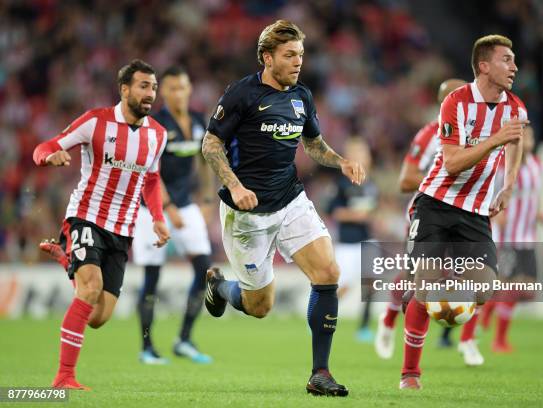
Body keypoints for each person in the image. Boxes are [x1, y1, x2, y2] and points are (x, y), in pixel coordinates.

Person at [201, 20, 365, 397]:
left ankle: (320, 373)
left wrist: (340, 161)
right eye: (289, 55)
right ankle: (219, 287)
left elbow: (313, 144)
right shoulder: (241, 94)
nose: (297, 62)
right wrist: (235, 185)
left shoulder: (301, 96)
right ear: (267, 57)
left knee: (327, 271)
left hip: (290, 200)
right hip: (247, 215)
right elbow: (211, 144)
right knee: (260, 306)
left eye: (301, 55)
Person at [400, 34, 529, 390]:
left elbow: (516, 139)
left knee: (486, 289)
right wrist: (494, 140)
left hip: (475, 212)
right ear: (484, 66)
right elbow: (454, 163)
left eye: (514, 59)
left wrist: (510, 182)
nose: (514, 66)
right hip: (437, 203)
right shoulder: (455, 102)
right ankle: (410, 374)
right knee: (424, 285)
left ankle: (439, 292)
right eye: (507, 59)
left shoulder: (515, 107)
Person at [33, 59, 170, 390]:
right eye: (143, 86)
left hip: (123, 229)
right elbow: (45, 146)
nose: (150, 93)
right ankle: (64, 377)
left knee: (98, 317)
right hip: (87, 217)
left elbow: (151, 179)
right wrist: (49, 157)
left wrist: (158, 218)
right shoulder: (95, 122)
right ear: (124, 89)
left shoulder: (158, 135)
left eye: (153, 87)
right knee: (90, 288)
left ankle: (67, 259)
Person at [375, 79, 466, 359]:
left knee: (461, 274)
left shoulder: (475, 135)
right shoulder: (430, 135)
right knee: (416, 277)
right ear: (446, 103)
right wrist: (444, 178)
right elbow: (405, 180)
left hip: (462, 213)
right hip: (427, 212)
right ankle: (389, 321)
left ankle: (465, 340)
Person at [132, 66, 213, 365]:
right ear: (162, 92)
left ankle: (184, 339)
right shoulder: (154, 124)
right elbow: (149, 170)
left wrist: (206, 199)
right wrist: (166, 208)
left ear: (189, 88)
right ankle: (147, 347)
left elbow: (205, 161)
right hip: (151, 210)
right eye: (172, 88)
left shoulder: (196, 121)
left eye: (183, 87)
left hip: (186, 206)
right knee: (152, 278)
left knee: (205, 269)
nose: (178, 93)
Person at [483, 125, 543, 352]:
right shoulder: (505, 163)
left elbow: (533, 195)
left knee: (528, 290)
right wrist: (496, 212)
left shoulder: (537, 165)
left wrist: (538, 213)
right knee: (510, 287)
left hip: (528, 237)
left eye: (531, 134)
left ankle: (490, 305)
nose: (529, 138)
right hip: (509, 236)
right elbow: (491, 188)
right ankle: (499, 340)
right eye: (524, 135)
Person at [327, 137, 378, 343]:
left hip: (367, 239)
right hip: (348, 242)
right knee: (343, 287)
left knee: (372, 284)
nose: (362, 157)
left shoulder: (370, 182)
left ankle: (364, 327)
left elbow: (371, 209)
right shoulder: (341, 182)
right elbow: (333, 211)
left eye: (364, 153)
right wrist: (356, 216)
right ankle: (321, 317)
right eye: (357, 153)